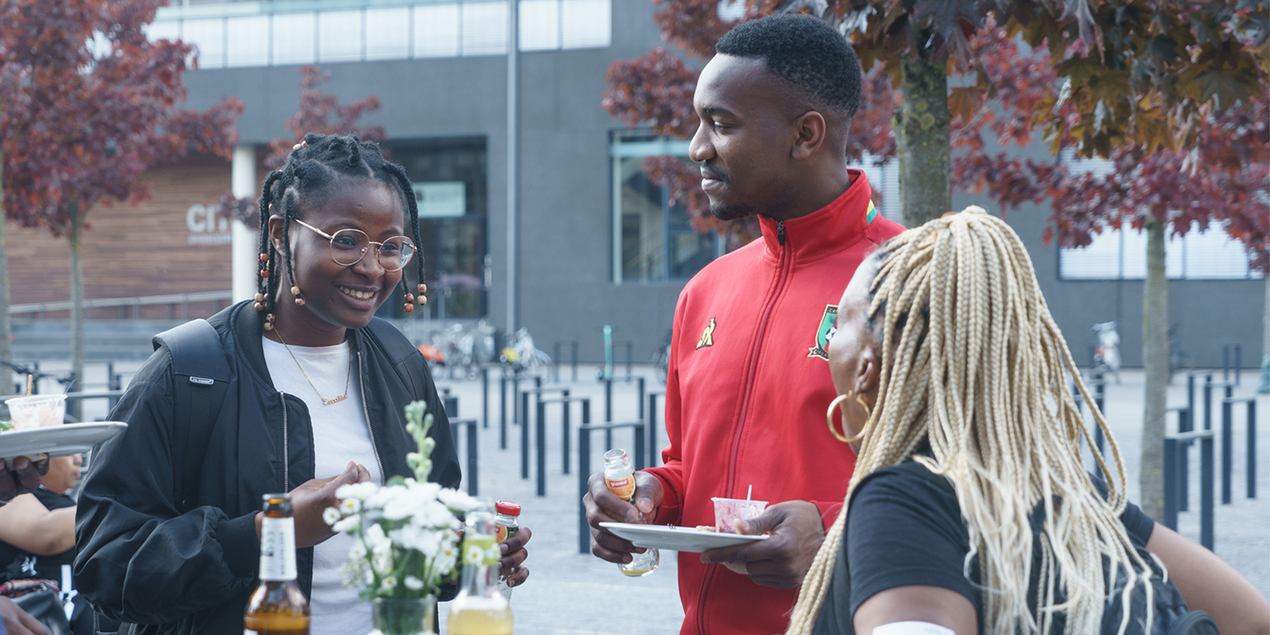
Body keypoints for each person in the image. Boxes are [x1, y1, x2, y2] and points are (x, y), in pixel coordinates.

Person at [75, 134, 531, 635]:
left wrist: (470, 555)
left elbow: (430, 529)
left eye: (391, 246)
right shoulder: (188, 372)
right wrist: (273, 531)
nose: (372, 267)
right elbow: (106, 566)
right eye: (346, 239)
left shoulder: (402, 365)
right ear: (280, 232)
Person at [784, 208, 1270, 635]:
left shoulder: (904, 502)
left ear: (867, 366)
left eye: (839, 323)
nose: (828, 344)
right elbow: (1250, 619)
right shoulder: (1069, 493)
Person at [584, 14, 903, 635]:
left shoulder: (917, 279)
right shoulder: (706, 290)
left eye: (721, 124)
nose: (697, 147)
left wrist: (836, 533)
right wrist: (651, 494)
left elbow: (985, 489)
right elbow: (689, 466)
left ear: (806, 135)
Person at [0, 454, 91, 635]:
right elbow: (48, 534)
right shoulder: (11, 497)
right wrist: (114, 506)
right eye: (68, 452)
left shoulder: (67, 502)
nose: (78, 460)